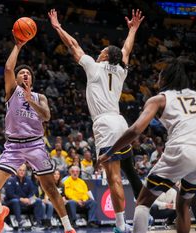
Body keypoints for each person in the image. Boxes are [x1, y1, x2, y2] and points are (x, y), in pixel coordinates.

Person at [48, 9, 145, 233]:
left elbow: (73, 45)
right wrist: (133, 29)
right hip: (121, 123)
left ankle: (121, 226)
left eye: (101, 51)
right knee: (127, 172)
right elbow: (127, 49)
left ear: (105, 56)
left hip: (105, 125)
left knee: (114, 179)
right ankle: (139, 215)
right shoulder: (122, 70)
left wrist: (57, 27)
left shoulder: (93, 66)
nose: (98, 52)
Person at [98, 57, 196, 233]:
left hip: (182, 149)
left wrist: (109, 152)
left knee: (143, 202)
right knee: (184, 205)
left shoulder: (159, 100)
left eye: (160, 76)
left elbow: (135, 130)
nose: (157, 80)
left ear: (167, 78)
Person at [0, 35, 75, 233]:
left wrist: (31, 100)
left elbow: (46, 116)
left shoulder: (39, 96)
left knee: (50, 188)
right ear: (17, 79)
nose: (25, 74)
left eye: (28, 73)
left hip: (35, 145)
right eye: (22, 73)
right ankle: (0, 212)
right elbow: (9, 68)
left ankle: (68, 228)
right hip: (13, 146)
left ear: (32, 80)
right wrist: (18, 45)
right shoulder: (12, 92)